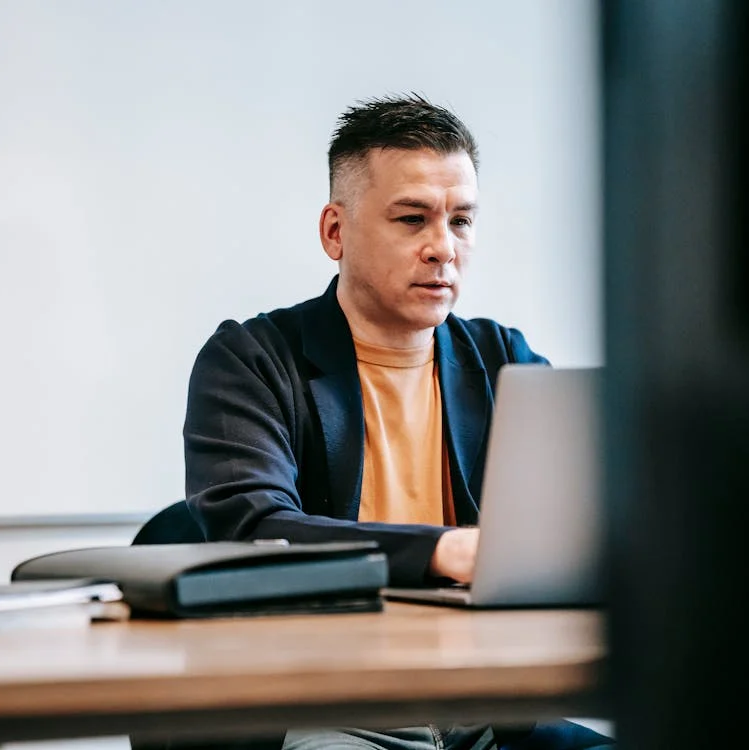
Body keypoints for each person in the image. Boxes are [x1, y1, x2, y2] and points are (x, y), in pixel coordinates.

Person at [181, 95, 613, 750]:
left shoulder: (505, 360)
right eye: (412, 219)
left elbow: (570, 528)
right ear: (335, 231)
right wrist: (444, 550)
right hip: (325, 696)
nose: (442, 248)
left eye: (461, 221)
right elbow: (252, 529)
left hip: (488, 695)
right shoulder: (249, 359)